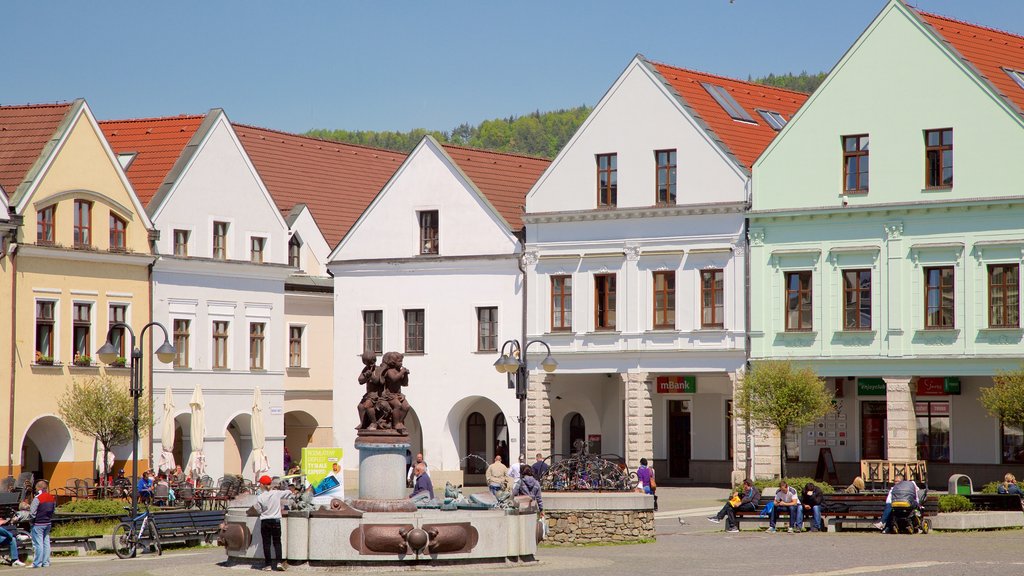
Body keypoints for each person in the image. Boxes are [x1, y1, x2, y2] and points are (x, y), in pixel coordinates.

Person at [254, 475, 292, 572]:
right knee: (277, 542)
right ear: (270, 484)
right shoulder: (276, 493)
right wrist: (283, 488)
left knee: (266, 544)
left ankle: (268, 565)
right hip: (276, 521)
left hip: (265, 521)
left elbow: (258, 510)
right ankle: (279, 562)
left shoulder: (260, 497)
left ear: (262, 485)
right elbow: (289, 492)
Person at [29, 480, 54, 568]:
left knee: (38, 544)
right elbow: (53, 510)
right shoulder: (51, 497)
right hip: (48, 522)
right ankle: (46, 562)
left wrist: (31, 521)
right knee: (46, 543)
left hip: (38, 523)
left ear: (39, 488)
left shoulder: (37, 498)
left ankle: (37, 563)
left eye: (36, 488)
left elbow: (32, 512)